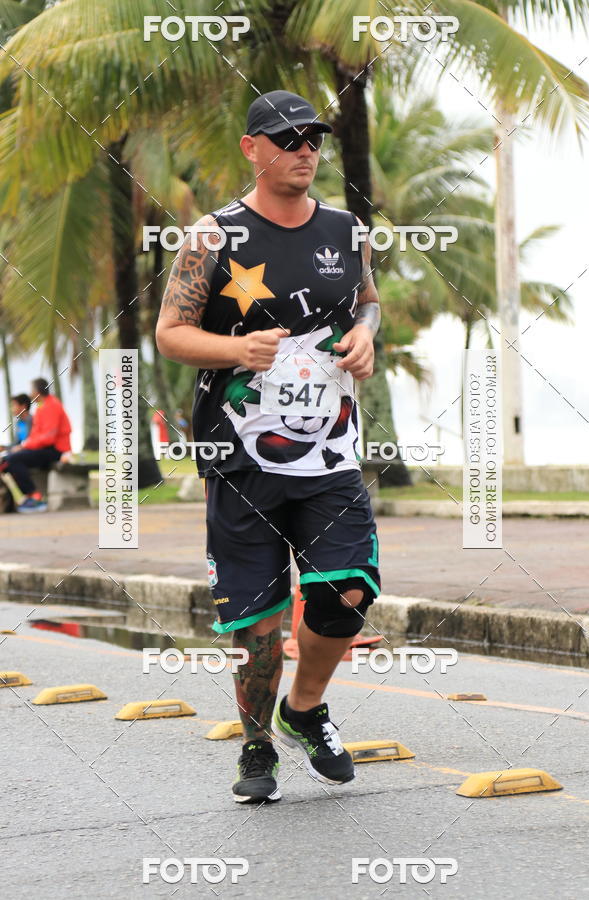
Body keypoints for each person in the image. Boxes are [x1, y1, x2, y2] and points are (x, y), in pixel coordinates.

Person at [156, 90, 382, 804]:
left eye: (312, 137)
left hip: (329, 454)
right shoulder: (212, 238)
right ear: (252, 149)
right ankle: (257, 747)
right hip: (240, 458)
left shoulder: (349, 230)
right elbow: (169, 332)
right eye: (287, 139)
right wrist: (235, 348)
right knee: (255, 625)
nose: (305, 150)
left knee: (345, 593)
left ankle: (305, 709)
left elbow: (368, 299)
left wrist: (368, 332)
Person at [0, 378, 72, 513]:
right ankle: (17, 501)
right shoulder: (41, 407)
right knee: (7, 461)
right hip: (45, 448)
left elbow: (48, 438)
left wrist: (25, 445)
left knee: (14, 459)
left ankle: (35, 497)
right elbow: (35, 435)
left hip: (56, 450)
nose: (30, 393)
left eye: (32, 390)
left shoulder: (52, 405)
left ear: (37, 391)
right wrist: (24, 446)